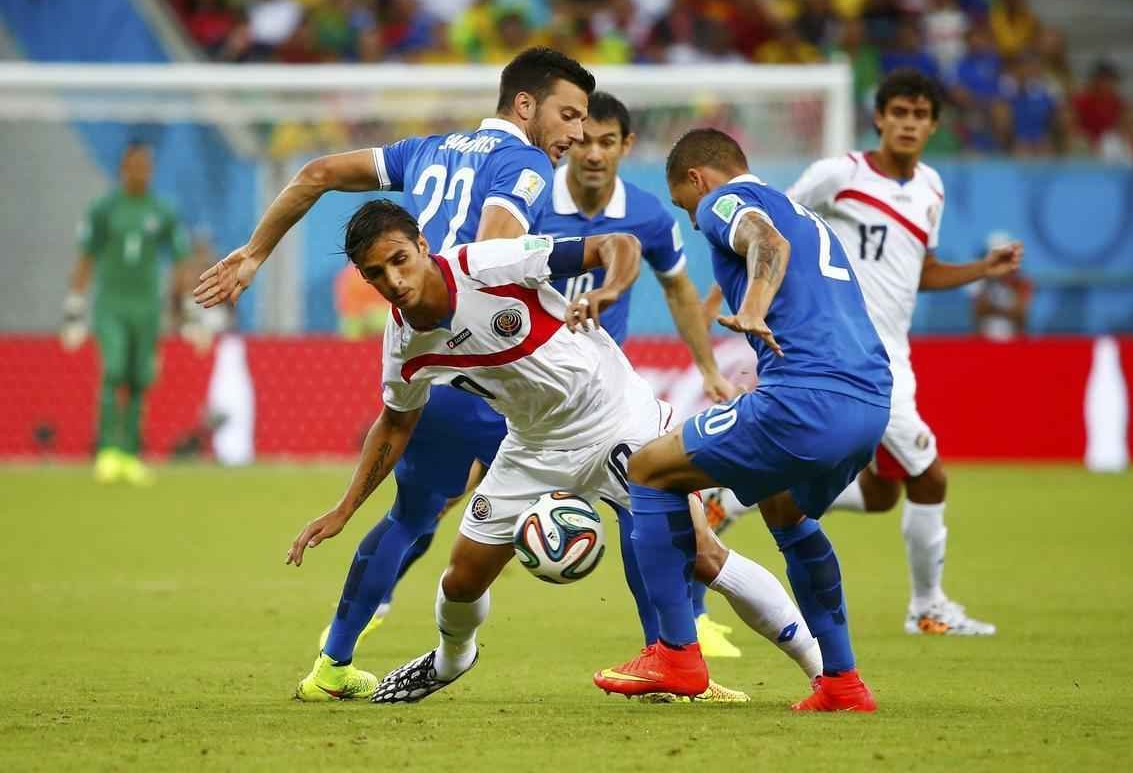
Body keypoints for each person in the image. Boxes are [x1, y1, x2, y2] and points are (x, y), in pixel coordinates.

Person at [285, 201, 822, 705]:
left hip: (619, 419)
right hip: (533, 446)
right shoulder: (405, 344)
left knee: (702, 555)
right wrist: (344, 508)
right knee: (460, 579)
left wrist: (609, 289)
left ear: (423, 246)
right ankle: (451, 661)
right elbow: (395, 424)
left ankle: (826, 674)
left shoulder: (488, 264)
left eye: (399, 260)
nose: (394, 281)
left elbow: (617, 245)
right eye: (376, 274)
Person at [195, 47, 594, 701]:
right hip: (493, 366)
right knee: (641, 481)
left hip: (423, 359)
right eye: (567, 115)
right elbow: (489, 251)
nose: (575, 134)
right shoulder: (521, 164)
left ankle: (333, 661)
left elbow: (319, 170)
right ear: (524, 106)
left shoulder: (429, 150)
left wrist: (256, 251)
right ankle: (676, 645)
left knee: (413, 516)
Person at [358, 90, 746, 661]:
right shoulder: (531, 199)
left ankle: (677, 638)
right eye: (583, 138)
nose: (592, 153)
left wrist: (709, 366)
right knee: (443, 502)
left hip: (597, 393)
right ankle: (387, 610)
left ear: (625, 146)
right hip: (507, 391)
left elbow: (679, 291)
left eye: (607, 143)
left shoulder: (649, 216)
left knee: (650, 511)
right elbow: (479, 267)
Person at [595, 128, 893, 712]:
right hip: (870, 401)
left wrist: (752, 304)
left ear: (697, 180)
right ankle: (841, 682)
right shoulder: (810, 215)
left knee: (650, 468)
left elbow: (765, 241)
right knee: (787, 512)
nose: (691, 216)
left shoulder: (722, 202)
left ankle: (676, 653)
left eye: (685, 203)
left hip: (805, 398)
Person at [786, 69, 1021, 635]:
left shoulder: (930, 189)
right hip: (850, 350)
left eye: (920, 115)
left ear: (933, 124)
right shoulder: (839, 174)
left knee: (883, 491)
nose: (909, 124)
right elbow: (774, 227)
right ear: (880, 118)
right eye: (899, 113)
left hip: (896, 353)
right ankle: (928, 608)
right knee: (931, 477)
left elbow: (921, 271)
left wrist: (981, 270)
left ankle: (766, 491)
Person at [63, 141, 191, 486]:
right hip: (112, 304)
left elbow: (180, 258)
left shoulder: (162, 210)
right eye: (135, 166)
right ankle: (106, 451)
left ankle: (129, 454)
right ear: (124, 168)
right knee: (114, 368)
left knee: (139, 378)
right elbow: (86, 255)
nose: (140, 172)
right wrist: (74, 308)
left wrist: (186, 308)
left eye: (146, 166)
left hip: (147, 306)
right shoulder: (105, 208)